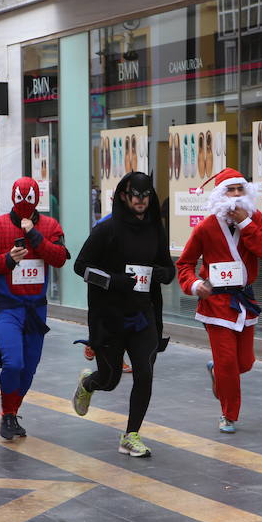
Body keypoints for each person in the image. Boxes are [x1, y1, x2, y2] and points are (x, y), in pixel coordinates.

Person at [71, 172, 175, 457]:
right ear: (124, 196)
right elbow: (81, 267)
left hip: (142, 315)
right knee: (111, 378)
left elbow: (167, 267)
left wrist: (163, 274)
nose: (141, 201)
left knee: (145, 372)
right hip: (109, 316)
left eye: (146, 195)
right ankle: (88, 383)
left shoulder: (156, 228)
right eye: (135, 195)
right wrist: (115, 280)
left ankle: (131, 435)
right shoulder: (108, 229)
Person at [175, 168, 262, 433]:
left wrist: (245, 223)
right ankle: (228, 415)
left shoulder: (255, 219)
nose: (236, 195)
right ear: (220, 195)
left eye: (240, 189)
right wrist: (195, 285)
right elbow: (184, 263)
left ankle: (217, 371)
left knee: (245, 363)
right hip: (216, 303)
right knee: (229, 363)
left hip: (244, 300)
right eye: (230, 190)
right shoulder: (207, 227)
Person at [0, 177, 68, 440]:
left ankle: (12, 413)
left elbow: (60, 258)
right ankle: (7, 414)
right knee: (13, 362)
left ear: (38, 198)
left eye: (30, 198)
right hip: (8, 307)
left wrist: (34, 236)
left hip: (36, 309)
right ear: (12, 197)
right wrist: (7, 259)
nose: (25, 203)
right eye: (21, 197)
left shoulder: (50, 226)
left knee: (29, 367)